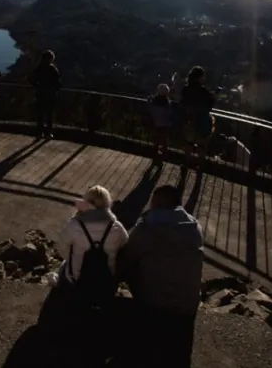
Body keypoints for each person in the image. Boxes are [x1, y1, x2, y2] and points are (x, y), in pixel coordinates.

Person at [116, 185, 203, 368]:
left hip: (154, 305)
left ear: (158, 203)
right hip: (187, 308)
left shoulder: (147, 227)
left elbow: (124, 261)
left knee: (130, 261)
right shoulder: (195, 227)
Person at [55, 185, 128, 307]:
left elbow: (62, 248)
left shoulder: (74, 224)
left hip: (77, 279)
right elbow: (124, 245)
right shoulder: (116, 227)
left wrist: (73, 259)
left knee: (63, 268)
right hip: (105, 278)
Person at [179, 66, 215, 167]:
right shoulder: (203, 91)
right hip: (202, 121)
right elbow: (209, 106)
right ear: (200, 77)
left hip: (189, 120)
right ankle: (200, 166)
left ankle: (186, 162)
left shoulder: (185, 89)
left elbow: (183, 103)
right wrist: (212, 97)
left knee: (189, 143)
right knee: (201, 145)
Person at [28, 50, 61, 139]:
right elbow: (58, 83)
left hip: (40, 94)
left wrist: (37, 86)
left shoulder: (39, 68)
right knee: (49, 114)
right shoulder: (53, 69)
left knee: (40, 114)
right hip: (51, 95)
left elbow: (30, 78)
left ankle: (40, 132)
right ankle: (48, 133)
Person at [148, 83, 175, 157]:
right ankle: (163, 153)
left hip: (155, 122)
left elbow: (151, 109)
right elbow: (169, 113)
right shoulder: (167, 102)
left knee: (156, 138)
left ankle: (155, 152)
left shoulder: (154, 100)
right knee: (164, 139)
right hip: (165, 123)